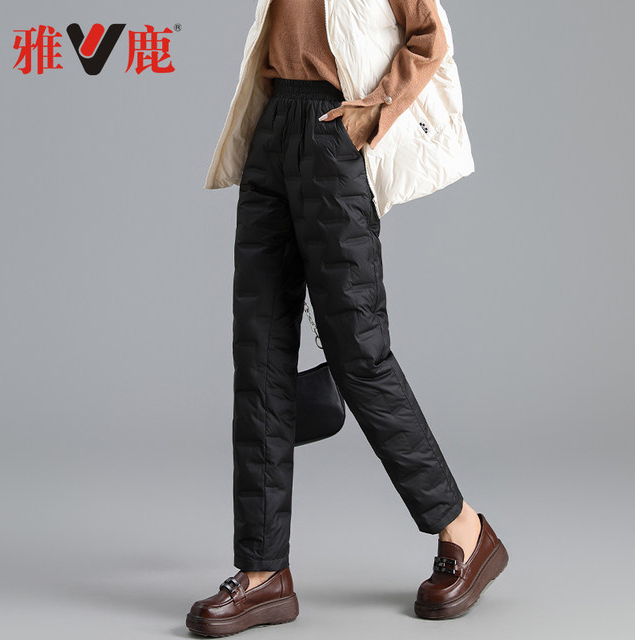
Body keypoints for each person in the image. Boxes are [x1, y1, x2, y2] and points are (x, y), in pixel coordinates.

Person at [186, 1, 508, 636]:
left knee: (360, 354)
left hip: (332, 132)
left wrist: (375, 110)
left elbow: (429, 34)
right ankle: (262, 573)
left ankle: (465, 531)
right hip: (273, 126)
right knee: (259, 356)